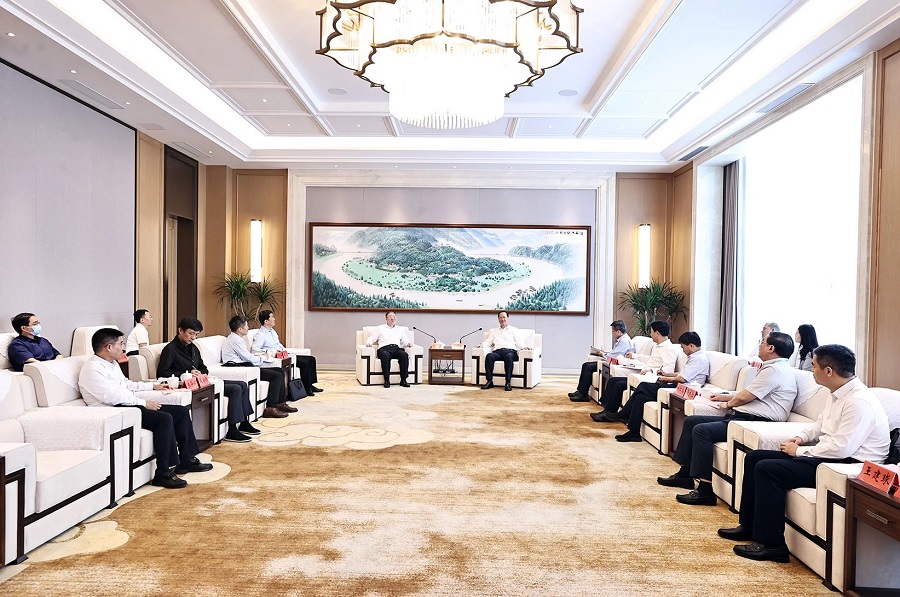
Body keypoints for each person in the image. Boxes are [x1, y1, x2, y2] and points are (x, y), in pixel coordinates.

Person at [719, 344, 889, 563]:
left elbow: (841, 448)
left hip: (847, 465)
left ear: (829, 371)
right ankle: (748, 526)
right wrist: (801, 438)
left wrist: (799, 451)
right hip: (830, 456)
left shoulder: (858, 402)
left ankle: (772, 545)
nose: (811, 370)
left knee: (767, 469)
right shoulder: (838, 393)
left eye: (814, 366)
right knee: (754, 458)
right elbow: (820, 425)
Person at [658, 331, 798, 505]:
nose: (759, 345)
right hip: (745, 417)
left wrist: (729, 404)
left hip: (755, 421)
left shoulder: (774, 370)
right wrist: (724, 397)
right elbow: (749, 393)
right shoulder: (774, 368)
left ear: (771, 348)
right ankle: (685, 474)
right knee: (692, 421)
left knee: (701, 431)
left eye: (762, 342)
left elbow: (745, 397)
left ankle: (705, 490)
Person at [78, 328, 212, 489]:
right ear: (109, 347)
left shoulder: (112, 364)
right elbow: (111, 397)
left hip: (127, 405)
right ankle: (163, 473)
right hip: (113, 411)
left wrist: (153, 386)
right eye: (121, 344)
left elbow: (127, 385)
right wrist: (143, 403)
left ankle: (186, 460)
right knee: (164, 419)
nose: (124, 348)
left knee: (180, 412)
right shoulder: (92, 369)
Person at [158, 317, 259, 443]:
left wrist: (201, 373)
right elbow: (162, 373)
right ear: (180, 330)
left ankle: (243, 422)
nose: (193, 337)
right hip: (187, 385)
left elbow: (203, 368)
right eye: (191, 333)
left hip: (201, 382)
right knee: (235, 389)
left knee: (242, 385)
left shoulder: (193, 348)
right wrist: (186, 373)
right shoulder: (170, 349)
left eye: (196, 334)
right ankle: (232, 430)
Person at [612, 331, 710, 442]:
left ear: (691, 346)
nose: (683, 351)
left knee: (643, 386)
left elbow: (683, 379)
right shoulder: (695, 356)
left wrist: (666, 379)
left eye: (683, 347)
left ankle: (624, 414)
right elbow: (682, 374)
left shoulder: (698, 359)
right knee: (640, 398)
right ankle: (634, 432)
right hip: (679, 385)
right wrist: (666, 374)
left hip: (684, 390)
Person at [591, 320, 678, 421]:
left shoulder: (668, 349)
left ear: (657, 333)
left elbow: (667, 370)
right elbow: (651, 359)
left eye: (651, 332)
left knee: (619, 384)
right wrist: (634, 355)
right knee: (613, 381)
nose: (650, 335)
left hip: (652, 379)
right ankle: (607, 411)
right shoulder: (657, 346)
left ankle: (612, 414)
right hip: (644, 376)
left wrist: (651, 370)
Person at [222, 315, 293, 419]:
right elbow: (247, 357)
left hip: (246, 366)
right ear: (240, 329)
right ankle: (270, 408)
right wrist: (263, 358)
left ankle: (280, 403)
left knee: (279, 371)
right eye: (246, 325)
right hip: (241, 367)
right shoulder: (235, 340)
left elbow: (247, 356)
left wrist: (261, 358)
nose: (248, 328)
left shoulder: (236, 338)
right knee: (276, 375)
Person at [252, 310, 323, 394]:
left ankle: (310, 385)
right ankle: (307, 389)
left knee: (311, 359)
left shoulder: (272, 331)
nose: (274, 319)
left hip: (284, 354)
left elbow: (277, 344)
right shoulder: (260, 335)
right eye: (272, 317)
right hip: (277, 357)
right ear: (266, 321)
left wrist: (285, 350)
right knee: (304, 363)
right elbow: (255, 350)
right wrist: (272, 352)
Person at [568, 320, 634, 402]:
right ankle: (581, 391)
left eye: (613, 331)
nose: (612, 333)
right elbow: (614, 353)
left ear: (618, 332)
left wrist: (602, 354)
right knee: (586, 365)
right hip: (611, 361)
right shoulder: (621, 340)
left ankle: (583, 395)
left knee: (588, 367)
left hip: (615, 364)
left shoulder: (624, 342)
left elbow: (613, 356)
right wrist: (605, 353)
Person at [480, 311, 532, 392]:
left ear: (508, 318)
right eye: (500, 317)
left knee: (508, 357)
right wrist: (481, 345)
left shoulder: (514, 330)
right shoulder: (494, 331)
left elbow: (519, 341)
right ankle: (489, 381)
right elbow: (488, 341)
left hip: (510, 352)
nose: (502, 319)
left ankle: (508, 382)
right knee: (489, 356)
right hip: (498, 352)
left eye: (504, 317)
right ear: (498, 319)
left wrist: (525, 347)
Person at [365, 311, 412, 388]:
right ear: (386, 318)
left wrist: (408, 343)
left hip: (396, 349)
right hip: (384, 349)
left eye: (394, 316)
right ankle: (387, 380)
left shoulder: (400, 329)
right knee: (386, 355)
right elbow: (372, 338)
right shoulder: (380, 328)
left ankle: (403, 380)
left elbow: (405, 340)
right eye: (390, 316)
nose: (392, 318)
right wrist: (369, 343)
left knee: (404, 355)